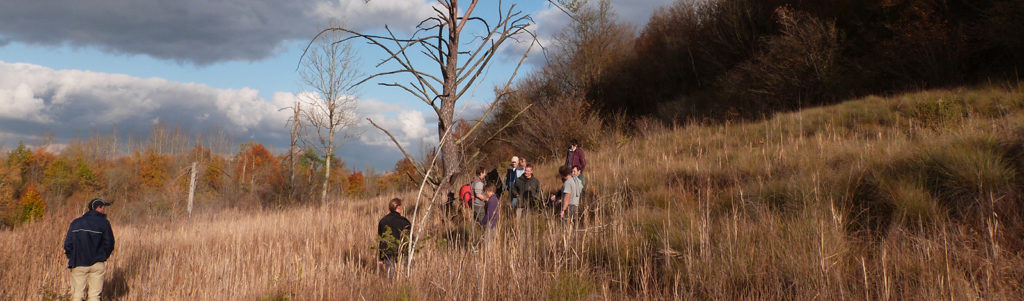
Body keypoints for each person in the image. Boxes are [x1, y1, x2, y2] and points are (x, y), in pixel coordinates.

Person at [64, 198, 115, 301]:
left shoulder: (76, 223)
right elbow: (110, 243)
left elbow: (67, 244)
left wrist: (72, 257)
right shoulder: (104, 223)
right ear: (98, 208)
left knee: (77, 295)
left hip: (78, 263)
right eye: (103, 207)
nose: (104, 210)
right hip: (97, 264)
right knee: (95, 296)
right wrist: (103, 256)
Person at [378, 198, 412, 280]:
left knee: (390, 276)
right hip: (403, 251)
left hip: (388, 251)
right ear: (399, 207)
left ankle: (390, 289)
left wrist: (381, 257)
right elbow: (409, 239)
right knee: (408, 271)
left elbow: (382, 240)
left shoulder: (383, 221)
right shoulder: (405, 221)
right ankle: (407, 285)